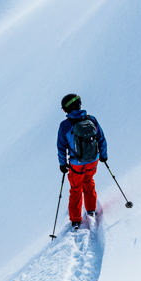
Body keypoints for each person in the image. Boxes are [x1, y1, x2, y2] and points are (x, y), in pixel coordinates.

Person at [57, 93, 108, 230]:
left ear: (67, 109)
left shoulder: (65, 125)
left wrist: (63, 164)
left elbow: (61, 147)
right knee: (89, 181)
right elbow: (101, 139)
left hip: (76, 164)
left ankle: (75, 220)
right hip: (93, 160)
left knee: (75, 189)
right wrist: (103, 155)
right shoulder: (91, 119)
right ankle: (91, 210)